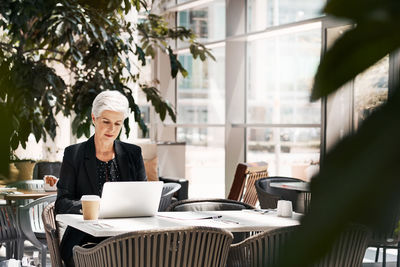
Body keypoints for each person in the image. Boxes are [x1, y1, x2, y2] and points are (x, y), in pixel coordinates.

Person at [55, 90, 147, 266]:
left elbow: (142, 198)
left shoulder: (133, 154)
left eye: (117, 123)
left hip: (126, 238)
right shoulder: (73, 154)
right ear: (93, 119)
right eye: (106, 121)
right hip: (84, 241)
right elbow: (62, 203)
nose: (112, 129)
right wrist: (93, 207)